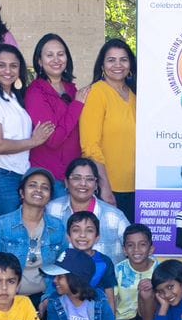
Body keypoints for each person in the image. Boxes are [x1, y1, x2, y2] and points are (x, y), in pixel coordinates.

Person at [0, 44, 51, 226]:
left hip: (21, 175)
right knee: (8, 233)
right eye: (1, 65)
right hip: (1, 177)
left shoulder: (15, 98)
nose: (8, 70)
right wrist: (33, 141)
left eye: (13, 66)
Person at [80, 39, 139, 216]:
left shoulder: (135, 94)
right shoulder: (97, 92)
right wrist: (104, 186)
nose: (118, 65)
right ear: (102, 65)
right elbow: (90, 145)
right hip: (111, 188)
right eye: (111, 60)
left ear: (130, 64)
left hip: (139, 186)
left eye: (123, 59)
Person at [0, 167, 66, 296]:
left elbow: (61, 267)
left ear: (50, 196)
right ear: (22, 193)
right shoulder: (2, 225)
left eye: (45, 187)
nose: (38, 190)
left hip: (45, 297)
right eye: (32, 185)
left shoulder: (57, 227)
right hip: (8, 298)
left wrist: (48, 300)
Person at [23, 33, 84, 186]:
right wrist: (77, 105)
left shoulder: (71, 89)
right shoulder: (35, 92)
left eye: (60, 54)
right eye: (49, 55)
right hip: (49, 177)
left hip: (73, 175)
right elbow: (52, 139)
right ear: (40, 61)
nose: (56, 60)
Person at [48, 157, 131, 262]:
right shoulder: (51, 210)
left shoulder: (114, 217)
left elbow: (135, 249)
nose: (83, 183)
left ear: (96, 185)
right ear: (66, 182)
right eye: (77, 178)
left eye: (89, 179)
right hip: (62, 277)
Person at [115, 224, 156, 320]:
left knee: (146, 290)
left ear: (151, 249)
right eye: (130, 245)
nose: (136, 250)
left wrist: (154, 284)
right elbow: (111, 299)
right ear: (124, 250)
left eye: (142, 245)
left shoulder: (159, 269)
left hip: (152, 319)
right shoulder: (118, 270)